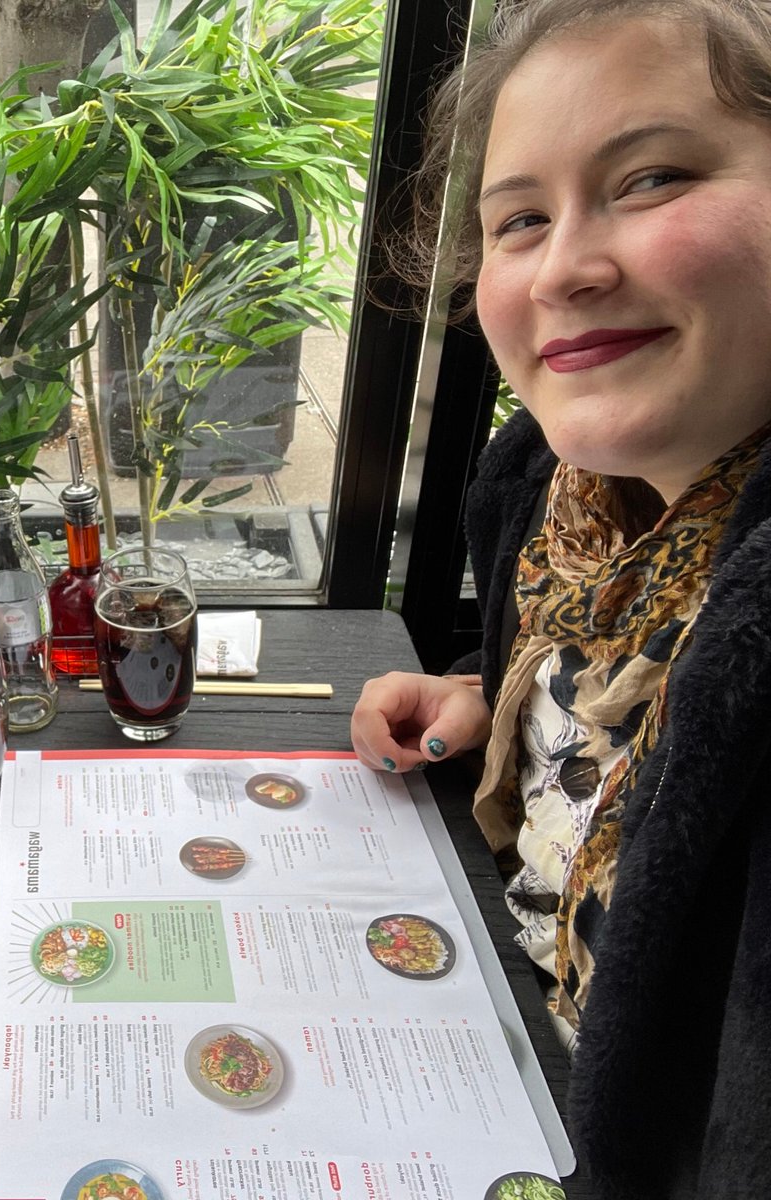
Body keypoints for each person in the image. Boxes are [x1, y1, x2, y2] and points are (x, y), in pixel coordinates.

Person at [351, 0, 771, 1193]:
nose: (566, 268)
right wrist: (503, 702)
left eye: (652, 179)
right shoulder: (561, 504)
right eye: (521, 219)